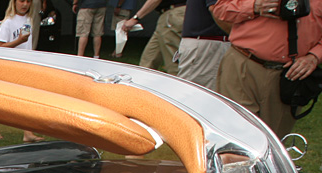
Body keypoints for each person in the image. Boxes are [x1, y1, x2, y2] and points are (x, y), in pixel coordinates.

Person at [212, 0, 322, 137]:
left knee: (273, 141)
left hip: (289, 76)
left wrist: (315, 56)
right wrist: (254, 6)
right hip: (243, 64)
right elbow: (220, 9)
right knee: (234, 135)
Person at [0, 0, 43, 142]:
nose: (25, 4)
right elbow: (1, 46)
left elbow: (28, 44)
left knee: (26, 98)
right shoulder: (8, 22)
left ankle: (27, 132)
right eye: (21, 1)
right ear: (14, 2)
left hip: (25, 65)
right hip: (10, 66)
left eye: (28, 1)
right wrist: (18, 41)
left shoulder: (29, 20)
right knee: (3, 98)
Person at [121, 0, 186, 73]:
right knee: (148, 61)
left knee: (173, 63)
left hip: (173, 14)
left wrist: (135, 18)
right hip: (169, 15)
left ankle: (179, 83)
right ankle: (144, 81)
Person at [176, 0, 229, 90]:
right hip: (207, 45)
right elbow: (215, 8)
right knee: (193, 96)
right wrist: (237, 34)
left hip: (206, 44)